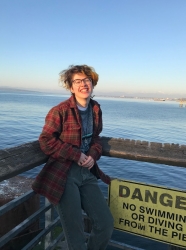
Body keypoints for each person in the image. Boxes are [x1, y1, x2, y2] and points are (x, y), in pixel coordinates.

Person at [32, 65, 114, 250]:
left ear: (92, 84)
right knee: (75, 232)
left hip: (87, 172)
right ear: (71, 87)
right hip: (64, 174)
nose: (83, 84)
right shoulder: (60, 110)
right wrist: (76, 155)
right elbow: (45, 140)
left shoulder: (95, 109)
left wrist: (93, 155)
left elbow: (95, 138)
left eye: (87, 80)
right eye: (78, 81)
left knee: (105, 224)